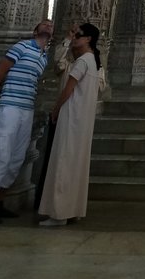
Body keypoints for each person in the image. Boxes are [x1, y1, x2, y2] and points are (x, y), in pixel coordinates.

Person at [0, 19, 55, 224]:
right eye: (44, 24)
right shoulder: (21, 46)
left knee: (16, 157)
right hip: (10, 106)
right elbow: (0, 73)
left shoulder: (43, 57)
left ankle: (0, 202)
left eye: (51, 25)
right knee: (2, 153)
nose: (48, 26)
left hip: (27, 108)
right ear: (35, 31)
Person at [37, 22, 102, 227]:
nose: (74, 38)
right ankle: (72, 209)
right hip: (81, 120)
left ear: (88, 39)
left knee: (63, 162)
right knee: (75, 165)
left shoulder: (83, 62)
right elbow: (59, 65)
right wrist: (67, 41)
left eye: (78, 35)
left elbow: (68, 89)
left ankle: (59, 213)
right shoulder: (92, 62)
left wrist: (55, 109)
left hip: (71, 116)